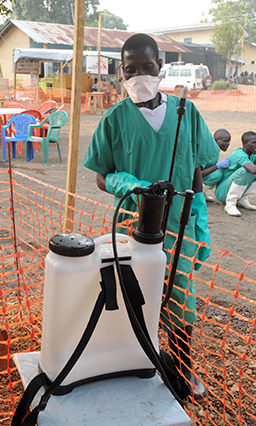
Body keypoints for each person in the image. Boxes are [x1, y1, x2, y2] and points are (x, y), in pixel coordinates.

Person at [82, 33, 219, 401]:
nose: (139, 75)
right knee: (133, 298)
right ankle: (132, 365)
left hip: (179, 227)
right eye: (131, 70)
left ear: (160, 66)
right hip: (133, 226)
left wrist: (199, 214)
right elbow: (100, 174)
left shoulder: (185, 113)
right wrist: (128, 182)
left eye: (147, 67)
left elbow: (198, 167)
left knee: (179, 301)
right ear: (121, 73)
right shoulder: (113, 120)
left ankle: (182, 371)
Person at [200, 129, 232, 202]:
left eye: (229, 141)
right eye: (225, 141)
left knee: (221, 171)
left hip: (202, 177)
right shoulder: (207, 152)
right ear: (215, 140)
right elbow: (197, 173)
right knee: (217, 174)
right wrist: (217, 166)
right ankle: (198, 193)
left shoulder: (215, 151)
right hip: (193, 179)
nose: (228, 143)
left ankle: (203, 193)